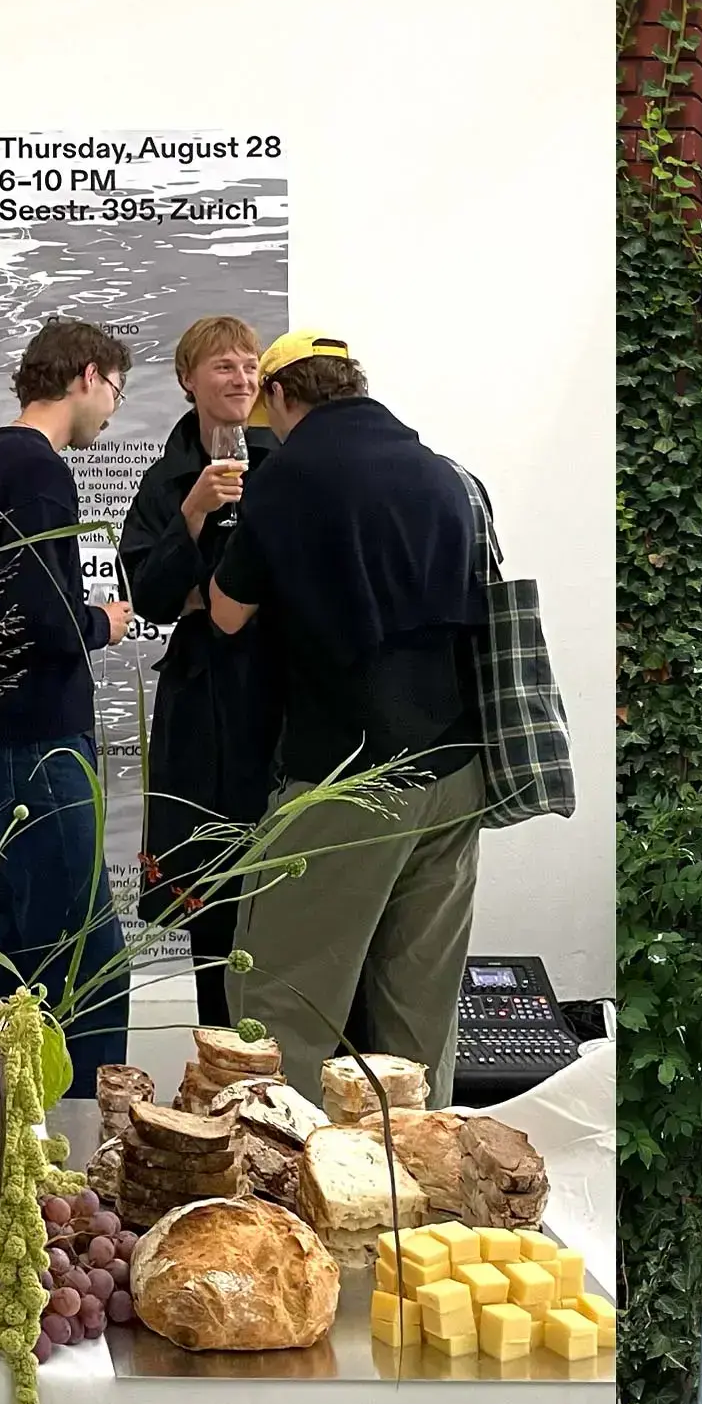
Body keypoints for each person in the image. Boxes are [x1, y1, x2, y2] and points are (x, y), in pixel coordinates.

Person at [206, 332, 487, 1095]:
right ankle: (415, 1190)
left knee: (281, 1002)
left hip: (347, 779)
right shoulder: (443, 473)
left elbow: (229, 613)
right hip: (456, 772)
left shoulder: (290, 475)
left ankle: (282, 1196)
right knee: (419, 1017)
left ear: (282, 397)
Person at [0, 317, 137, 1099]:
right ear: (86, 375)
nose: (114, 411)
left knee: (25, 953)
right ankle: (88, 1147)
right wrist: (104, 621)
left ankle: (12, 1139)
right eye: (116, 391)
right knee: (88, 963)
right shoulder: (38, 468)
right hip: (40, 746)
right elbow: (42, 614)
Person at [117, 315, 282, 1029]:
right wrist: (191, 514)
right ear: (188, 379)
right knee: (208, 894)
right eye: (224, 367)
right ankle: (219, 1057)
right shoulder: (166, 480)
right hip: (202, 703)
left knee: (283, 887)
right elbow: (149, 594)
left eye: (250, 367)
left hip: (280, 696)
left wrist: (211, 593)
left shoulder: (289, 461)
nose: (241, 380)